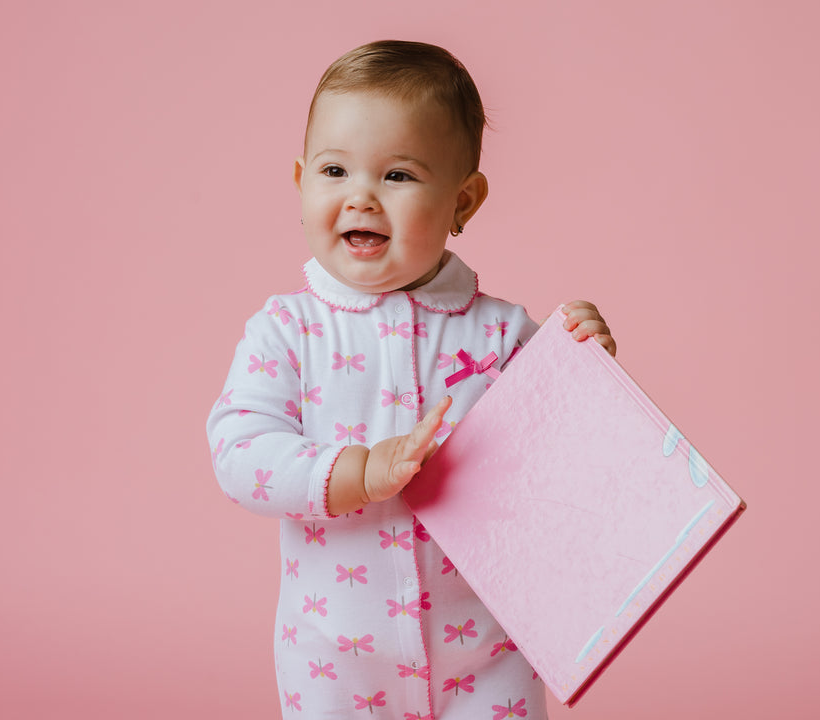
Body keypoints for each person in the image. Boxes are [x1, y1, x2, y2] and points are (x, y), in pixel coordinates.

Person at [207, 40, 615, 719]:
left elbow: (572, 459)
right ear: (302, 180)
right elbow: (239, 453)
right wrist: (356, 472)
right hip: (335, 658)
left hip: (487, 653)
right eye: (335, 170)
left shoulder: (502, 335)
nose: (361, 195)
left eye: (398, 175)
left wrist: (587, 368)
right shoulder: (289, 331)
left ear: (464, 200)